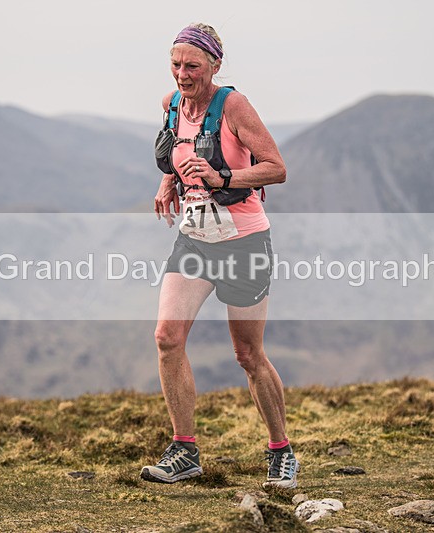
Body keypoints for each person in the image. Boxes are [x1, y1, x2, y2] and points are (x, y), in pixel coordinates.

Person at [140, 23, 299, 489]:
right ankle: (184, 450)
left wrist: (220, 176)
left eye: (192, 65)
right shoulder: (171, 105)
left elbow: (277, 169)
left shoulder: (234, 106)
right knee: (167, 337)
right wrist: (168, 180)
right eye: (175, 64)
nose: (182, 74)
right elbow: (177, 152)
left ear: (215, 65)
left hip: (244, 243)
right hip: (194, 240)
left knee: (248, 354)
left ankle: (281, 451)